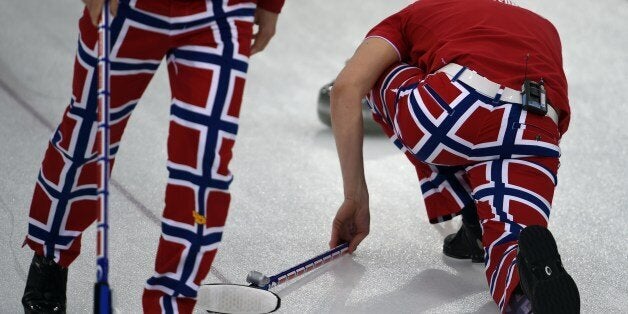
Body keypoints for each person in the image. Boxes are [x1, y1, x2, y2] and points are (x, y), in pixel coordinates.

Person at [21, 0, 284, 312]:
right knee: (87, 138)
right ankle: (50, 258)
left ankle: (171, 302)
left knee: (204, 169)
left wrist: (271, 3)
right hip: (127, 9)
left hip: (220, 14)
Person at [327, 0, 580, 313]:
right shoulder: (544, 27)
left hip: (453, 108)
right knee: (514, 244)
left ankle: (470, 205)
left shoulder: (417, 12)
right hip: (534, 126)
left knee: (375, 73)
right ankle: (526, 291)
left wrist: (356, 196)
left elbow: (346, 88)